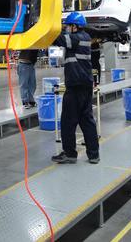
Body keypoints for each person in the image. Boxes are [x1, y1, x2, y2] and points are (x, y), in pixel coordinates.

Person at [51, 12, 100, 164]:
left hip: (76, 85)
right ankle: (94, 155)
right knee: (86, 120)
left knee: (68, 120)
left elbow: (58, 39)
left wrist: (48, 27)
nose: (66, 29)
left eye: (68, 26)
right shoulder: (84, 38)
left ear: (75, 26)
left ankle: (70, 153)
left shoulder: (77, 37)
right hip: (84, 84)